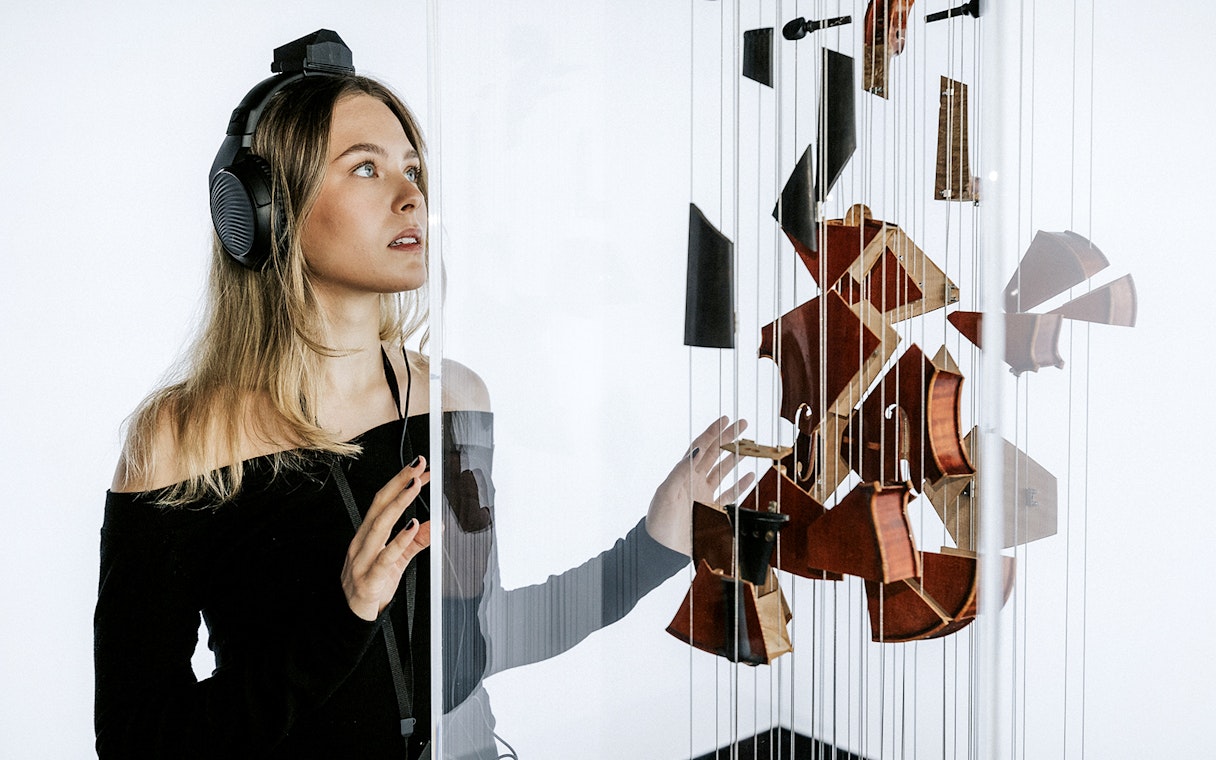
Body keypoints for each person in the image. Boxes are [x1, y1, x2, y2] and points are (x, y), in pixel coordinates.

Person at [94, 31, 752, 760]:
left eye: (413, 167)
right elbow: (139, 742)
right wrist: (345, 616)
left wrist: (654, 545)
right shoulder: (183, 439)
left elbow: (480, 640)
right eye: (366, 168)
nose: (412, 196)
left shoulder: (453, 397)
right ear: (262, 209)